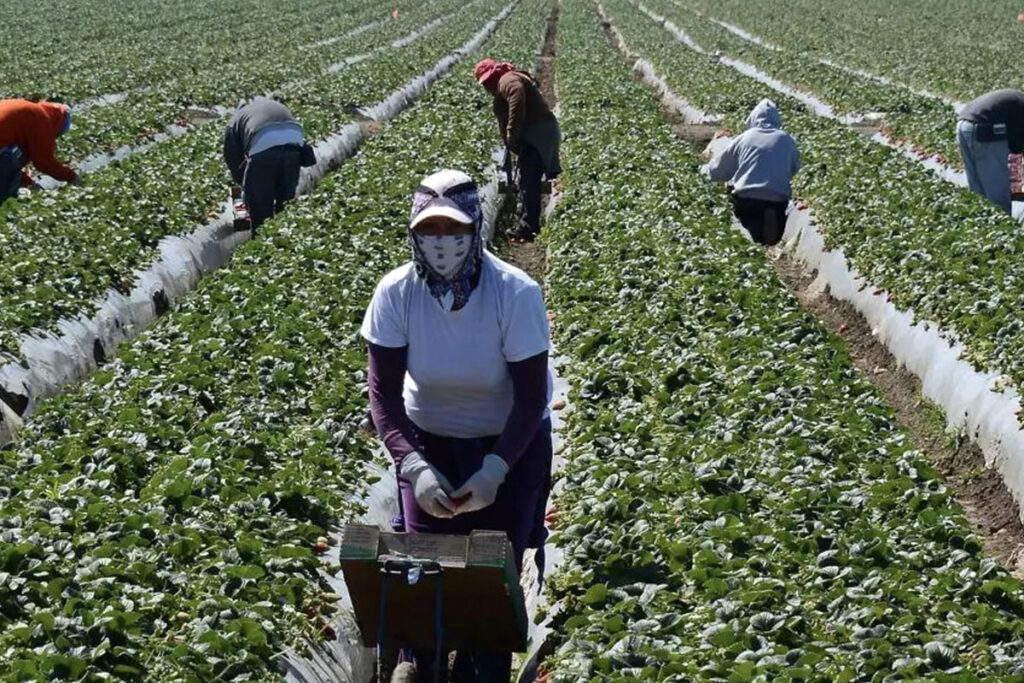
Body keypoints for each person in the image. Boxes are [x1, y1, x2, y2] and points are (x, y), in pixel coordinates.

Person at [361, 169, 553, 682]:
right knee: (423, 573)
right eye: (431, 231)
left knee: (492, 574)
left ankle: (484, 666)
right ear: (414, 232)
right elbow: (383, 394)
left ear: (475, 228)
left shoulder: (515, 293)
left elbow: (533, 397)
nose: (442, 243)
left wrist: (495, 469)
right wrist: (415, 468)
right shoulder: (396, 293)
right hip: (429, 442)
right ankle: (419, 665)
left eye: (454, 231)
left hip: (508, 442)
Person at [474, 58, 561, 242]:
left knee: (529, 181)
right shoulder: (506, 82)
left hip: (539, 134)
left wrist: (512, 132)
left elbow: (517, 96)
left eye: (487, 82)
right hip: (538, 134)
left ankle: (528, 227)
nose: (487, 88)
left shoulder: (507, 80)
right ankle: (526, 223)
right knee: (527, 180)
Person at [706, 99, 801, 246]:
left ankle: (752, 237)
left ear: (753, 118)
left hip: (747, 198)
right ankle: (770, 230)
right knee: (774, 218)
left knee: (746, 231)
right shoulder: (787, 140)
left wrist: (704, 171)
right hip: (778, 200)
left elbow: (721, 170)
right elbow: (794, 168)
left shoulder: (745, 138)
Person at [223, 96, 316, 232]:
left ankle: (262, 241)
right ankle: (285, 238)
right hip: (293, 145)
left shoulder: (235, 120)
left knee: (260, 205)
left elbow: (232, 158)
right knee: (285, 200)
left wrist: (243, 184)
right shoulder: (272, 106)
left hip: (263, 146)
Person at [956, 89, 1024, 214]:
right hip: (987, 129)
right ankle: (1002, 229)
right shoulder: (1019, 106)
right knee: (998, 198)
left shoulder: (1017, 102)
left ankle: (982, 224)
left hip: (963, 124)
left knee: (978, 193)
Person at [0, 99, 77, 204]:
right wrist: (72, 177)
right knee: (15, 154)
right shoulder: (42, 120)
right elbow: (44, 163)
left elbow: (12, 167)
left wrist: (28, 183)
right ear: (58, 125)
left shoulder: (30, 110)